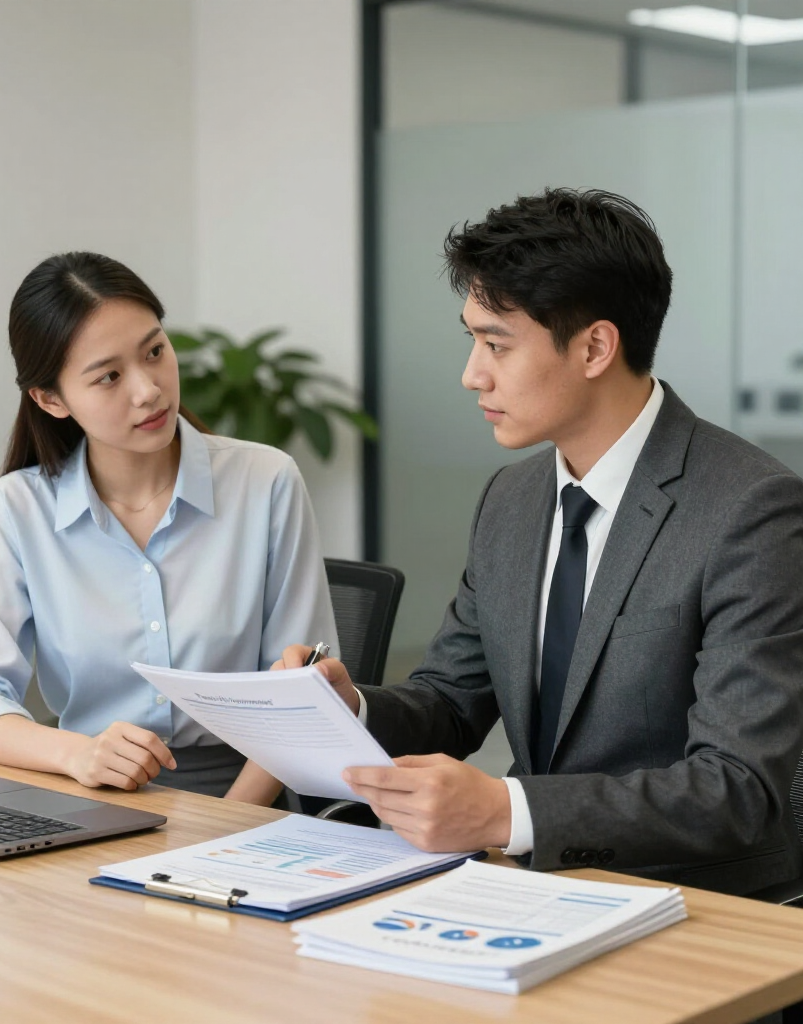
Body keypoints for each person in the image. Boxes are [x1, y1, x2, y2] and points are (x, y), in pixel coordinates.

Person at [281, 188, 803, 894]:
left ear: (594, 346)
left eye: (496, 343)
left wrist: (506, 811)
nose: (473, 373)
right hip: (529, 889)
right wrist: (355, 709)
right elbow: (452, 702)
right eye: (472, 339)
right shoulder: (513, 498)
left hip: (692, 904)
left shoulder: (750, 510)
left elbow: (737, 791)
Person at [0, 251, 337, 804]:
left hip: (245, 798)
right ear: (51, 398)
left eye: (155, 351)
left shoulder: (265, 481)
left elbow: (303, 691)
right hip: (85, 792)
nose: (148, 390)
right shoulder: (16, 509)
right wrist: (75, 754)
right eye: (109, 377)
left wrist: (223, 829)